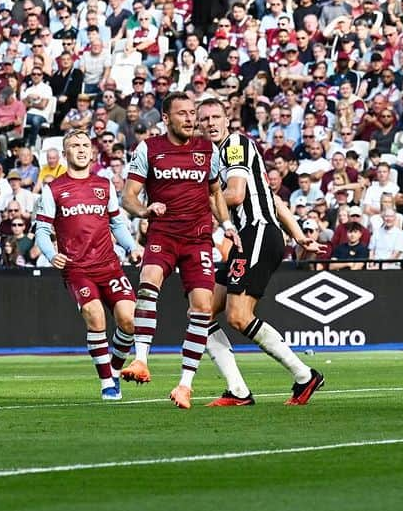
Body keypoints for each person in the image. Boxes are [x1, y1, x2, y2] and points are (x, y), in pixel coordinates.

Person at [198, 98, 325, 406]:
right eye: (205, 119)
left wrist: (192, 203)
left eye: (216, 117)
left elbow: (236, 194)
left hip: (256, 234)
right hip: (252, 237)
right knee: (200, 313)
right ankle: (238, 391)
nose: (211, 123)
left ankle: (304, 375)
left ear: (228, 120)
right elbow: (275, 200)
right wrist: (298, 237)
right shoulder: (216, 156)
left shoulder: (235, 145)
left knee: (239, 317)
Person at [119, 92, 241, 409]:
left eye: (192, 113)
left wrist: (226, 225)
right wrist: (145, 210)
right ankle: (141, 359)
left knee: (202, 307)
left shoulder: (207, 150)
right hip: (163, 232)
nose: (190, 119)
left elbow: (215, 193)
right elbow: (127, 197)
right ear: (166, 118)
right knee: (147, 283)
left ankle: (185, 385)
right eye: (182, 113)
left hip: (198, 238)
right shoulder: (150, 149)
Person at [34, 130, 142, 401]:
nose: (81, 150)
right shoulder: (53, 189)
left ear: (92, 152)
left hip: (109, 266)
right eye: (74, 145)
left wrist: (132, 246)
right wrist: (50, 253)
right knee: (95, 317)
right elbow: (42, 230)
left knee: (129, 320)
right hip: (77, 269)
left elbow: (117, 223)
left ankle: (114, 370)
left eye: (85, 145)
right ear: (65, 152)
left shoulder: (104, 186)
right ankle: (107, 384)